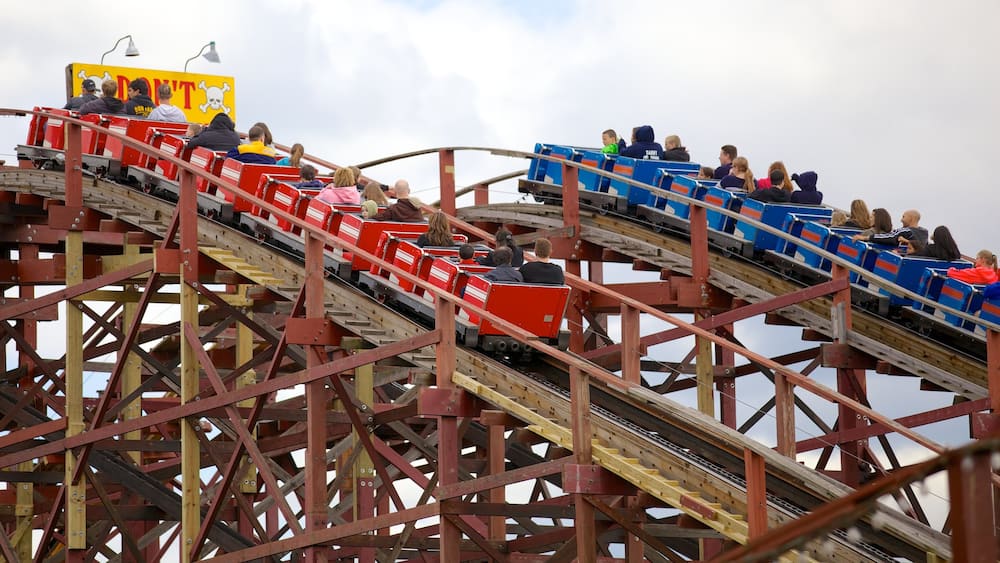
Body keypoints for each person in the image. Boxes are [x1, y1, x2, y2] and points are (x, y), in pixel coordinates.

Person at [854, 209, 927, 248]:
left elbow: (890, 237)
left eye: (903, 217)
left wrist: (866, 238)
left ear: (911, 218)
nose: (901, 220)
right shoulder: (924, 233)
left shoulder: (905, 230)